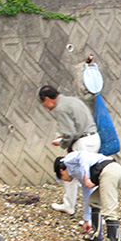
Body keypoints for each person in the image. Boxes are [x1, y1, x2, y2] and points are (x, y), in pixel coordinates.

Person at [38, 84, 101, 224]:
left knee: (86, 179)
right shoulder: (73, 100)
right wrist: (65, 136)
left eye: (44, 104)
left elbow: (71, 133)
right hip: (93, 138)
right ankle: (69, 205)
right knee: (69, 171)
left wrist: (61, 142)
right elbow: (77, 125)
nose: (46, 107)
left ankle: (92, 217)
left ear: (48, 99)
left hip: (83, 142)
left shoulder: (60, 108)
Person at [54, 150, 121, 241]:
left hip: (110, 172)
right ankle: (96, 234)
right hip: (112, 171)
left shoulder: (68, 160)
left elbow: (83, 156)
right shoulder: (77, 172)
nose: (64, 180)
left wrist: (87, 178)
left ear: (61, 170)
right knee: (94, 201)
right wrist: (87, 219)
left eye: (61, 177)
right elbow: (87, 191)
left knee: (109, 209)